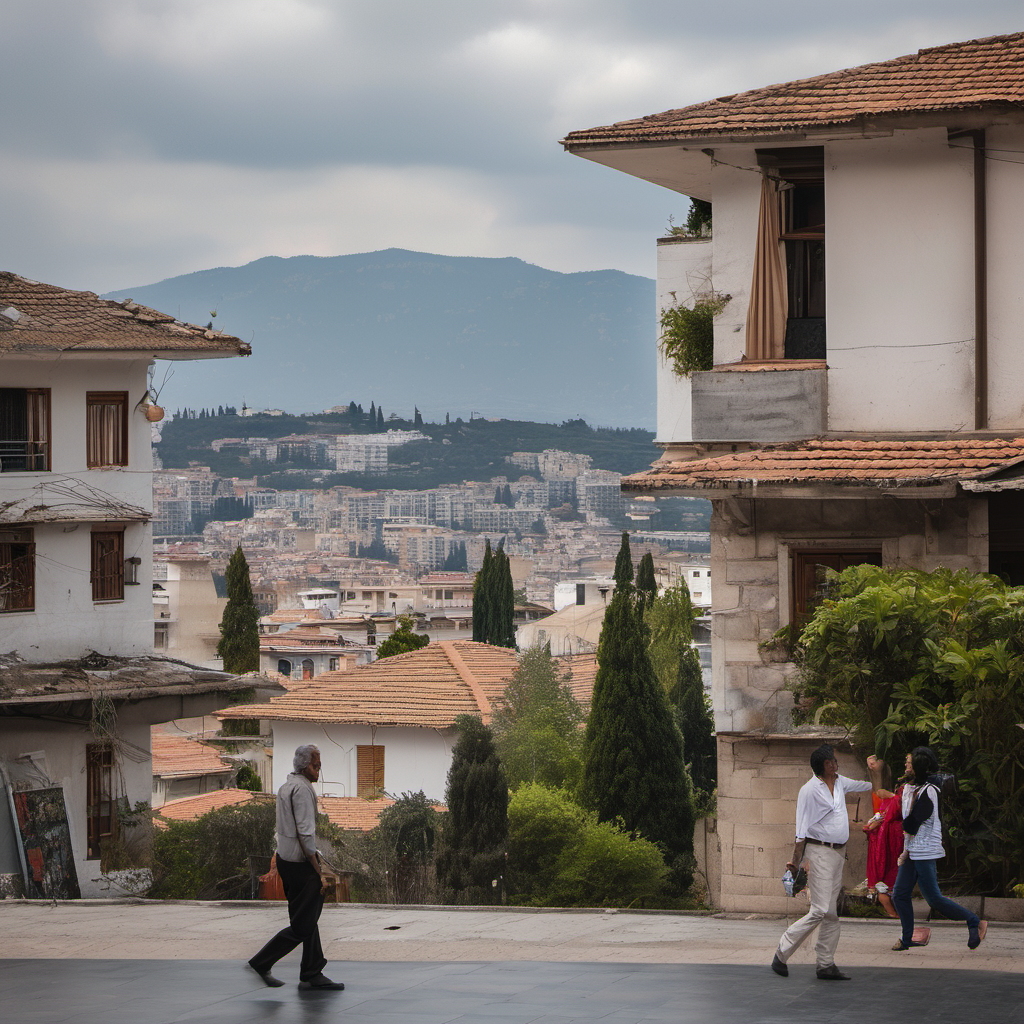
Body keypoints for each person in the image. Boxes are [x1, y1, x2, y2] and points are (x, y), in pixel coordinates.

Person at [771, 745, 879, 980]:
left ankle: (825, 964)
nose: (836, 763)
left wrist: (876, 771)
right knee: (820, 909)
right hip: (819, 853)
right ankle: (782, 951)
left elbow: (870, 787)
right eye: (832, 761)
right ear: (824, 765)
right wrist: (795, 861)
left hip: (838, 854)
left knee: (830, 913)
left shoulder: (840, 782)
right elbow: (801, 831)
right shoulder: (808, 791)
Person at [247, 744, 345, 990]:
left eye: (319, 765)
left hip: (285, 860)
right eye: (315, 765)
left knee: (306, 917)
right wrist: (318, 868)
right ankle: (262, 961)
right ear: (304, 766)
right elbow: (305, 833)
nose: (318, 770)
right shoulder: (302, 790)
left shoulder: (286, 786)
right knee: (303, 925)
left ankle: (312, 971)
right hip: (301, 865)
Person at [890, 746, 986, 953]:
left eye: (909, 761)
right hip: (912, 852)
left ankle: (974, 921)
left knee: (934, 899)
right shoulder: (910, 789)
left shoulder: (929, 792)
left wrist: (903, 825)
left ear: (918, 766)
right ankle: (907, 939)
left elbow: (912, 824)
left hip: (925, 852)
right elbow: (908, 821)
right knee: (899, 895)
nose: (906, 764)